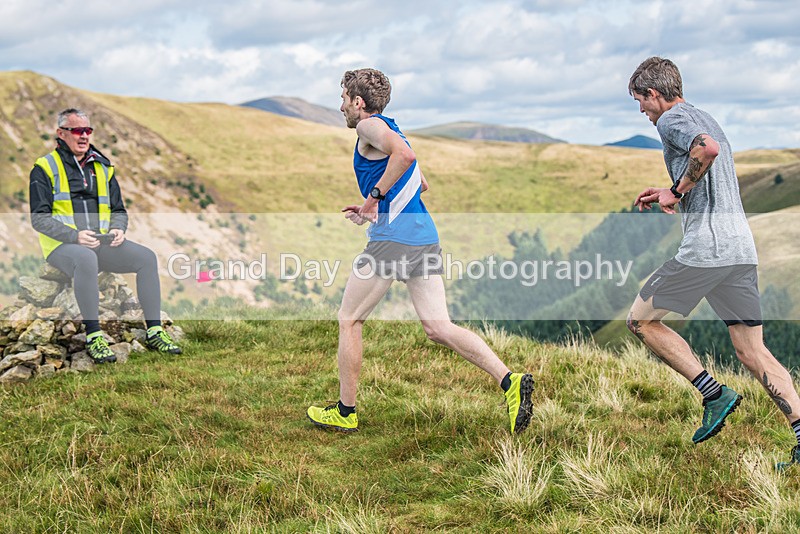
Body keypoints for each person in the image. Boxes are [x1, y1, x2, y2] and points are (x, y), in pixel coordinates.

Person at [306, 69, 534, 434]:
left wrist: (374, 200)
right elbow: (420, 182)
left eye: (344, 99)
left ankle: (345, 412)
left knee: (349, 319)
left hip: (393, 239)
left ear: (358, 102)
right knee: (438, 326)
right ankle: (510, 382)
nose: (341, 106)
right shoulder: (393, 127)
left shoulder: (369, 127)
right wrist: (378, 201)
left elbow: (406, 158)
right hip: (422, 234)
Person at [626, 57, 800, 470]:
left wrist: (676, 191)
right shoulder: (705, 115)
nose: (642, 112)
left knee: (640, 321)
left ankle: (712, 393)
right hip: (740, 249)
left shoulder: (672, 120)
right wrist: (675, 190)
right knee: (752, 350)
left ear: (654, 94)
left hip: (707, 251)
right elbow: (709, 151)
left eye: (640, 101)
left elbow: (707, 150)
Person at [29, 108, 182, 363]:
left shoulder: (103, 167)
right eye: (77, 130)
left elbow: (119, 210)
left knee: (146, 258)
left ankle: (155, 330)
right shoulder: (44, 167)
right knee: (86, 259)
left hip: (102, 242)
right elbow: (39, 219)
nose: (84, 136)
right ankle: (94, 336)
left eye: (88, 131)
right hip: (62, 247)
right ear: (61, 134)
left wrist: (117, 229)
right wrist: (74, 236)